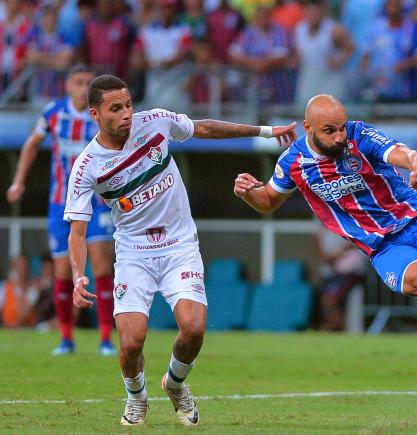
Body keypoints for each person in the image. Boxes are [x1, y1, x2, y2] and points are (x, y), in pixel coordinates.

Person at [233, 93, 417, 435]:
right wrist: (247, 192)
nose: (340, 137)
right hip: (384, 246)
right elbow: (269, 200)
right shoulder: (292, 162)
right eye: (330, 131)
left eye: (341, 128)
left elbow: (403, 154)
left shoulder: (360, 135)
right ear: (308, 128)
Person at [63, 74, 296, 426]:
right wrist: (79, 275)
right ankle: (136, 395)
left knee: (194, 328)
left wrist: (264, 131)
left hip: (179, 245)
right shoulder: (86, 166)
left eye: (128, 104)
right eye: (115, 108)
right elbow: (77, 232)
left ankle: (174, 383)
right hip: (134, 254)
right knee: (130, 343)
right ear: (95, 114)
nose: (126, 113)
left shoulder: (155, 123)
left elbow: (205, 129)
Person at [6, 64, 116, 356]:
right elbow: (32, 144)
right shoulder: (54, 112)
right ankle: (66, 339)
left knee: (103, 266)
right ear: (68, 85)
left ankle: (106, 338)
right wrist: (19, 181)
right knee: (63, 273)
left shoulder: (101, 115)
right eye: (78, 82)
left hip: (96, 202)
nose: (83, 88)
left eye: (88, 83)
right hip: (61, 204)